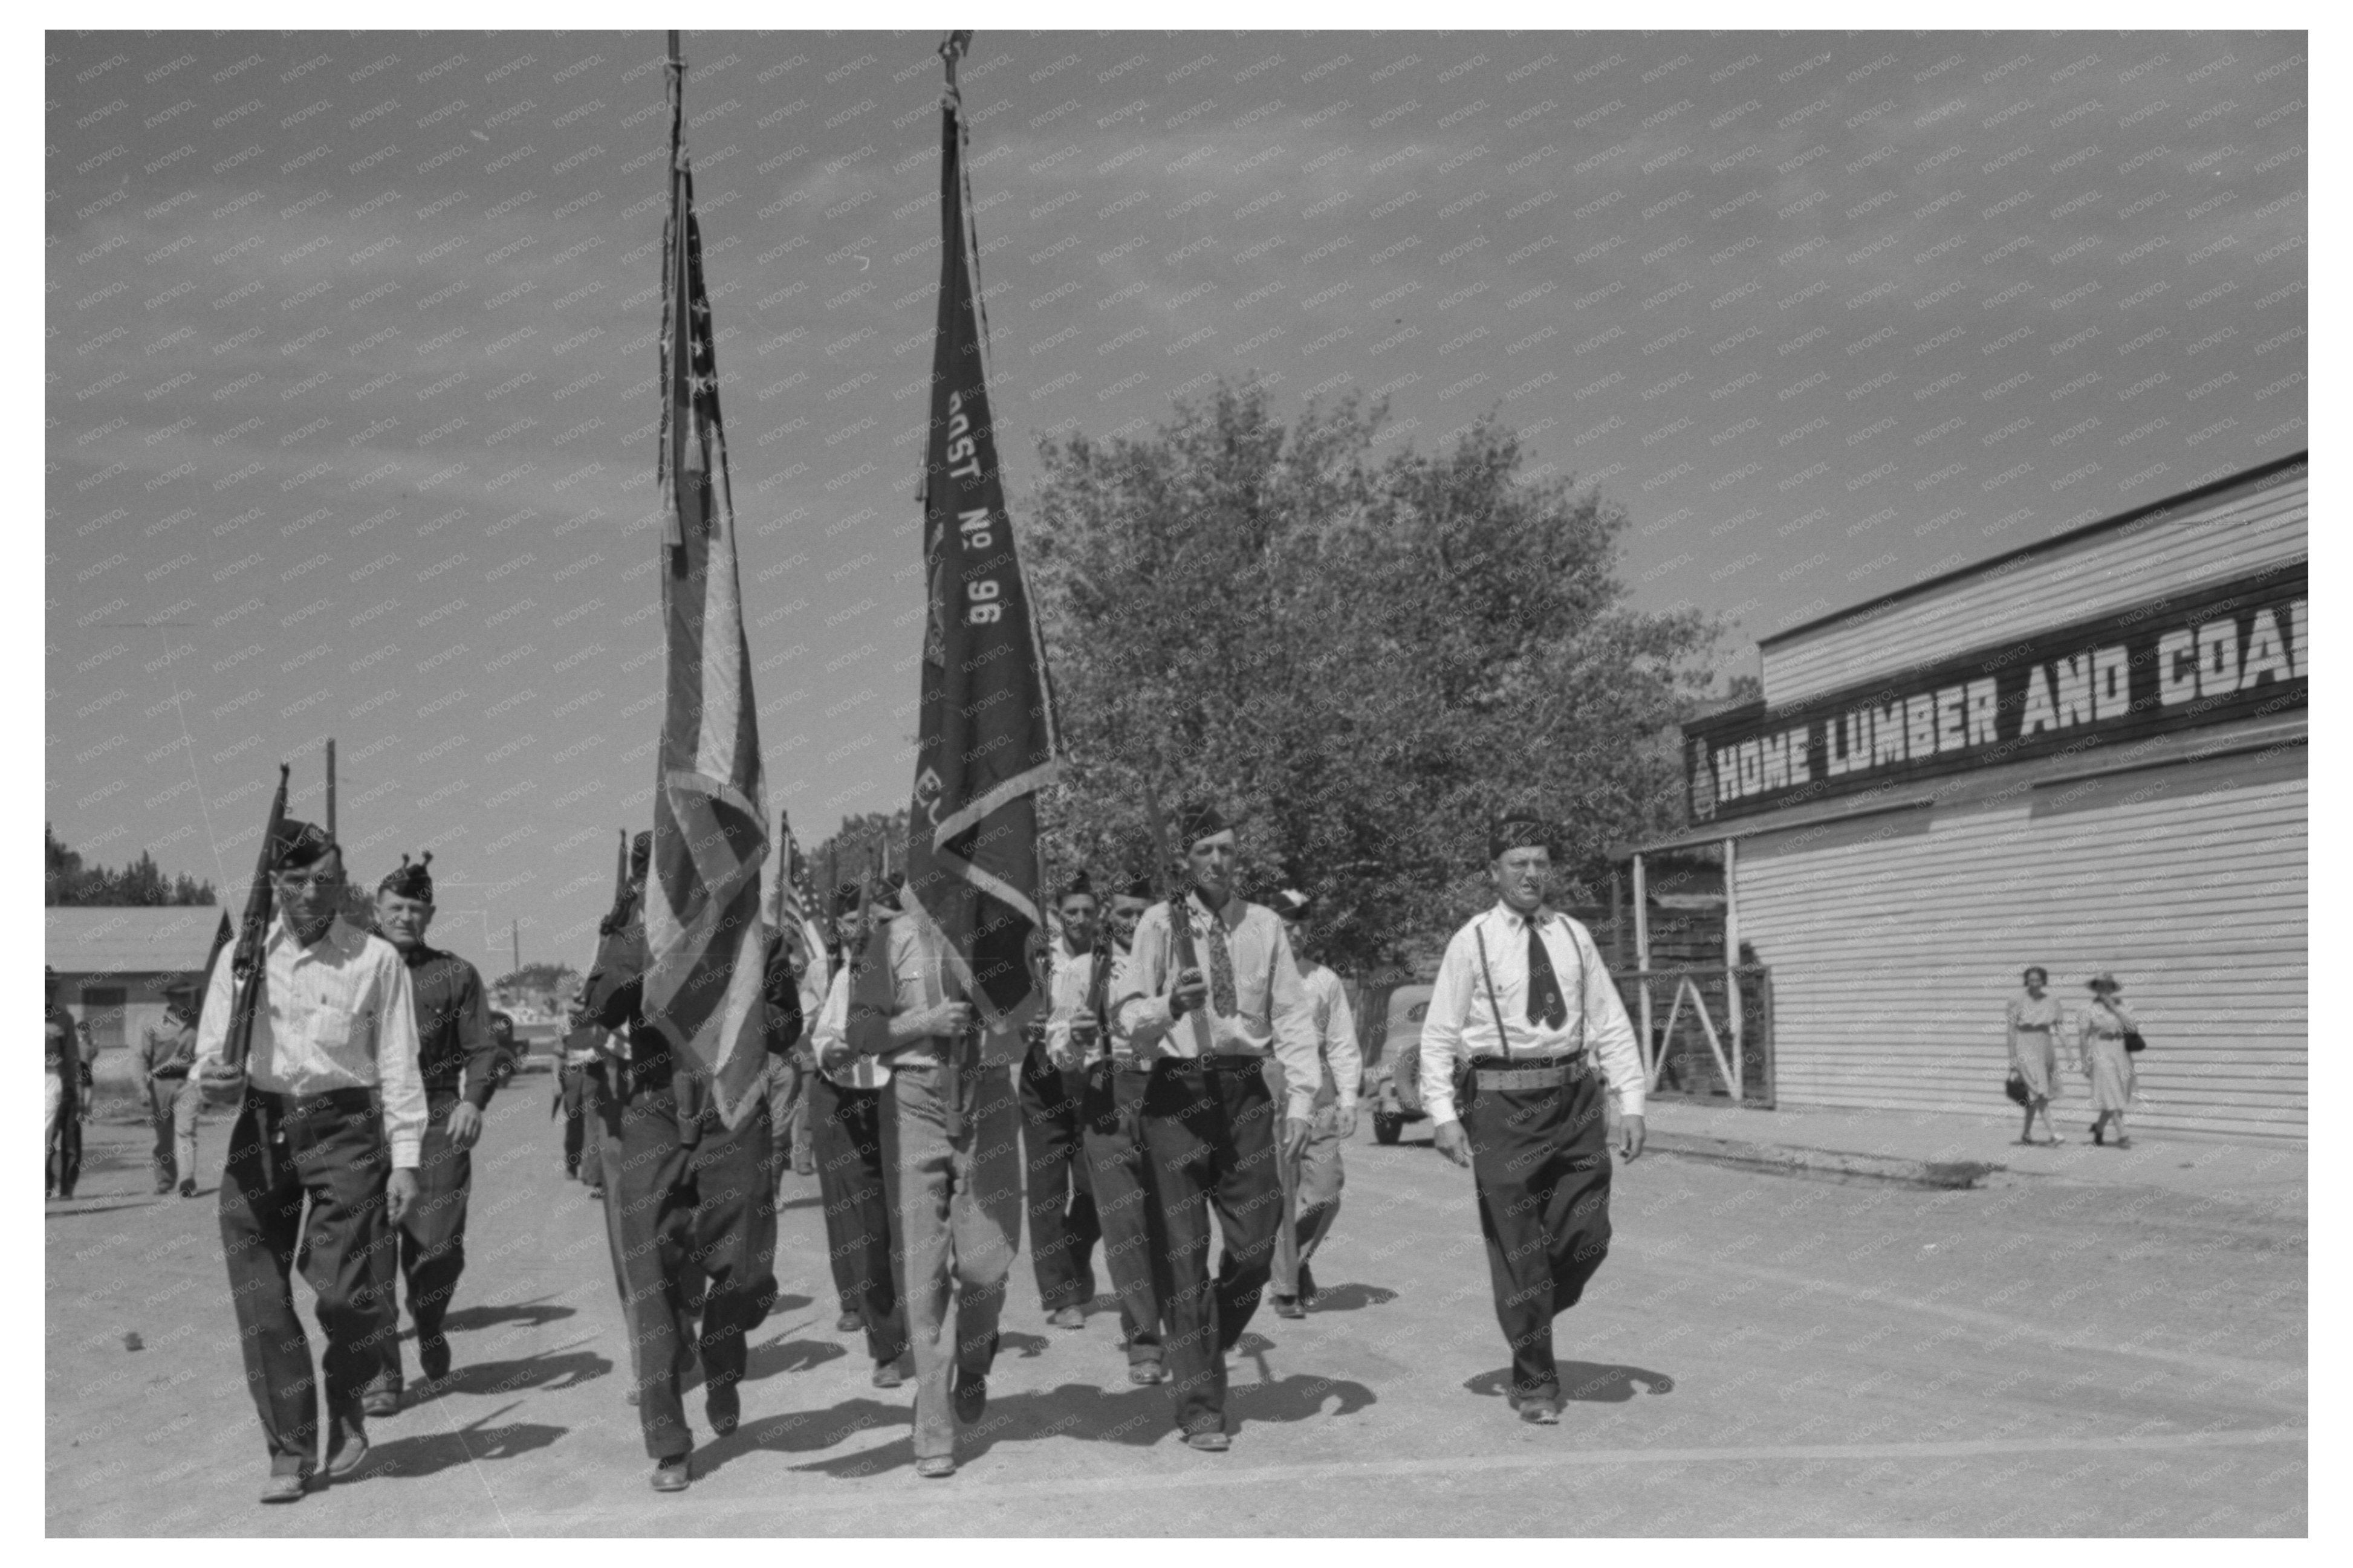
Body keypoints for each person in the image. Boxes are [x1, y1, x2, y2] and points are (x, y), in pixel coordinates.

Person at [189, 819, 426, 1502]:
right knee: (259, 1294)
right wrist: (218, 1079)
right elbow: (211, 1055)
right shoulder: (243, 956)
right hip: (260, 1128)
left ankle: (348, 1401)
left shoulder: (373, 958)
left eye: (325, 878)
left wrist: (405, 1158)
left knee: (345, 1290)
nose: (312, 891)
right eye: (297, 879)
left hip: (345, 1129)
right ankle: (290, 1449)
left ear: (341, 883)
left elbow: (397, 1063)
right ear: (275, 882)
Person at [1418, 814, 1647, 1427]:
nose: (1530, 872)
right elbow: (1439, 1033)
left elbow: (1610, 1019)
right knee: (1519, 1250)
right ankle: (1536, 1378)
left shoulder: (1573, 934)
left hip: (1574, 1099)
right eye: (1517, 862)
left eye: (1540, 861)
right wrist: (1442, 1113)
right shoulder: (1472, 939)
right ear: (1494, 872)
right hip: (1501, 1106)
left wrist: (1630, 1101)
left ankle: (1531, 1311)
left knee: (1589, 1232)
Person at [1112, 804, 1321, 1453]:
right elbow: (1123, 1014)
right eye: (1204, 849)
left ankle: (1211, 1333)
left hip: (1243, 1090)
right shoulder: (1157, 923)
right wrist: (1167, 1003)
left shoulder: (1262, 924)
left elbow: (1290, 1011)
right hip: (1175, 1093)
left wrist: (1303, 1100)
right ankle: (1201, 1404)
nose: (1216, 860)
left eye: (1226, 849)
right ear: (1186, 858)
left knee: (1257, 1240)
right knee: (1181, 1256)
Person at [577, 831, 782, 1492]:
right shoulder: (631, 931)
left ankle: (722, 1360)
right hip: (654, 1106)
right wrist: (650, 936)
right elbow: (603, 1004)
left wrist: (737, 973)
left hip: (731, 1101)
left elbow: (788, 1026)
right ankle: (668, 1438)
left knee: (743, 1267)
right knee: (652, 1277)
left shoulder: (756, 933)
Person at [845, 871, 1023, 1479]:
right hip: (915, 1097)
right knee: (921, 1276)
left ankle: (974, 1357)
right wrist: (924, 1021)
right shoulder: (889, 937)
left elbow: (1032, 1014)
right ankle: (933, 1427)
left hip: (988, 1095)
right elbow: (862, 1032)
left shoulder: (1001, 927)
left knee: (986, 1264)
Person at [363, 852, 513, 1411]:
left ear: (431, 914)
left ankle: (428, 1319)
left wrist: (474, 1101)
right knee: (370, 1249)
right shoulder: (351, 967)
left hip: (436, 1115)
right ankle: (382, 1374)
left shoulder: (455, 974)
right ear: (376, 910)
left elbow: (484, 1049)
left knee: (439, 1246)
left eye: (417, 909)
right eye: (395, 907)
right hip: (366, 1119)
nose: (405, 917)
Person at [1056, 876, 1166, 1384]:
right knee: (1125, 1228)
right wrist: (1077, 1041)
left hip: (1171, 1094)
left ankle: (1185, 1327)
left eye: (1142, 912)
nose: (1132, 922)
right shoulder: (1084, 970)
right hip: (1109, 1096)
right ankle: (1144, 1342)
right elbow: (1062, 1049)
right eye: (1123, 912)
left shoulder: (1175, 964)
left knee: (1172, 1226)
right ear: (1108, 915)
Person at [808, 883, 910, 1388]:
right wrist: (832, 1052)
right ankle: (887, 1346)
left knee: (917, 1228)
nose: (869, 930)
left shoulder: (914, 970)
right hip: (857, 1103)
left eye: (883, 919)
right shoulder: (850, 975)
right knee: (872, 1228)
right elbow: (825, 1033)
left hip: (911, 1106)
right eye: (858, 921)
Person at [1265, 890, 1362, 1318]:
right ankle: (1286, 1286)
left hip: (1316, 1086)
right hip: (1269, 1084)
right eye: (1289, 927)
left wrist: (1347, 1099)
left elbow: (1342, 1043)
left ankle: (1293, 1262)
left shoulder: (1324, 980)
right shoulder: (1252, 979)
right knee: (1280, 1192)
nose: (1298, 934)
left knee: (1325, 1190)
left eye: (1303, 926)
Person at [1023, 873, 1103, 1330]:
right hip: (1043, 1079)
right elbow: (1012, 1015)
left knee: (1095, 1183)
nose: (1080, 919)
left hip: (1094, 1079)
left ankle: (1074, 1253)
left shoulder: (1110, 960)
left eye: (1088, 911)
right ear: (1058, 914)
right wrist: (1025, 1025)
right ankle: (1060, 1295)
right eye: (1071, 911)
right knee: (1047, 1189)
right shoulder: (1039, 959)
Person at [138, 980, 204, 1196]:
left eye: (187, 996)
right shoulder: (153, 1024)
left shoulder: (200, 1022)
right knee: (165, 1137)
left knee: (186, 1131)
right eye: (179, 997)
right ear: (170, 999)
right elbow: (142, 1058)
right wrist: (142, 1088)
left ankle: (187, 1180)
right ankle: (166, 1180)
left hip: (189, 1083)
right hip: (160, 1085)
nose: (184, 1000)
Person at [45, 967, 95, 1200]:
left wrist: (76, 1088)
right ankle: (45, 1185)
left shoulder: (64, 1018)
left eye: (52, 985)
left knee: (71, 1140)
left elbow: (73, 1056)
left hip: (62, 1086)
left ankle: (67, 1187)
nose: (49, 989)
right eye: (45, 984)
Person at [2079, 971, 2141, 1149]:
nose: (2104, 989)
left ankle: (2098, 1129)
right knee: (2111, 1090)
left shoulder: (2124, 1005)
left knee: (2117, 1092)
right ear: (2096, 988)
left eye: (2108, 985)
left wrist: (2114, 1008)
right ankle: (2122, 1134)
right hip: (2100, 1049)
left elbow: (2133, 1028)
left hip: (2120, 1049)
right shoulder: (2087, 1009)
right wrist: (2085, 1062)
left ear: (2113, 988)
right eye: (2100, 985)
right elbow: (2083, 1037)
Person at [2005, 966, 2066, 1147]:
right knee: (2040, 1092)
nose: (2035, 983)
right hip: (2026, 1046)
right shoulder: (2017, 1000)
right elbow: (2011, 1032)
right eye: (2031, 980)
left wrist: (2070, 1053)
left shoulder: (2052, 1000)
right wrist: (2013, 1060)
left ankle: (2026, 1134)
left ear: (2043, 981)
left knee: (2036, 1094)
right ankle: (2054, 1134)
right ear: (2027, 981)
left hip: (2046, 1046)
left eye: (2038, 980)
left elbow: (2060, 1028)